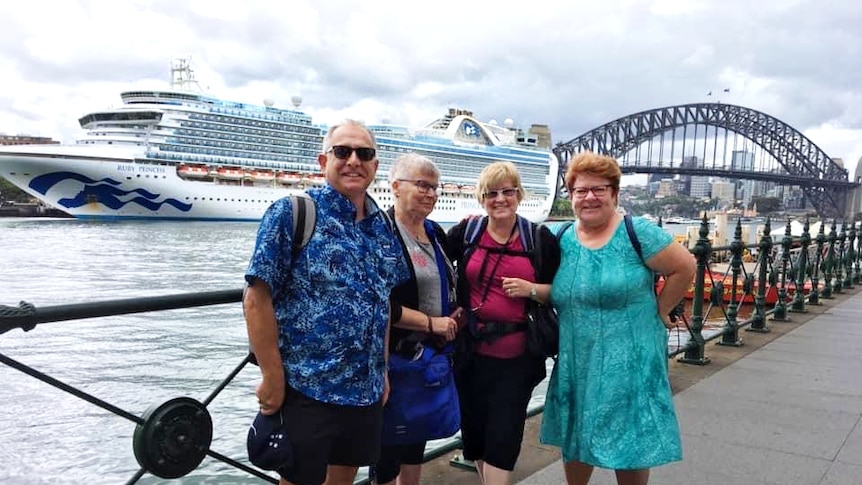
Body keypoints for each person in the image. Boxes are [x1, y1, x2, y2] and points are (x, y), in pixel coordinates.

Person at [243, 120, 409, 485]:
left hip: (364, 390)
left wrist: (381, 371)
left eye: (364, 154)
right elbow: (256, 297)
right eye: (342, 151)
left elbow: (380, 304)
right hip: (307, 386)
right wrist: (272, 376)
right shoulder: (292, 212)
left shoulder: (382, 225)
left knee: (344, 478)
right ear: (323, 161)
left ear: (375, 166)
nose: (353, 160)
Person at [540, 151, 696, 485]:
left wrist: (661, 309)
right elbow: (545, 283)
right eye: (581, 190)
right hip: (577, 358)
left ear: (614, 193)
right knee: (577, 431)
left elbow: (684, 266)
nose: (590, 197)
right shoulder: (561, 237)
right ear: (571, 196)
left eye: (599, 189)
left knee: (630, 436)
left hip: (630, 358)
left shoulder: (635, 231)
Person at [446, 161, 561, 485]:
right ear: (482, 198)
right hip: (471, 352)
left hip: (518, 356)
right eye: (492, 193)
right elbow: (436, 270)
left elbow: (561, 292)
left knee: (504, 436)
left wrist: (532, 290)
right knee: (477, 435)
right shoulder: (466, 233)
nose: (500, 199)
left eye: (507, 192)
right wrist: (448, 312)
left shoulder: (539, 239)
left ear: (519, 195)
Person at [371, 152, 461, 485]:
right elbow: (378, 303)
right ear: (395, 186)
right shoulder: (381, 232)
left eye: (435, 187)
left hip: (428, 359)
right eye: (421, 185)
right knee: (386, 450)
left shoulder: (436, 232)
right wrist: (430, 323)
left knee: (414, 440)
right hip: (392, 357)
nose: (430, 193)